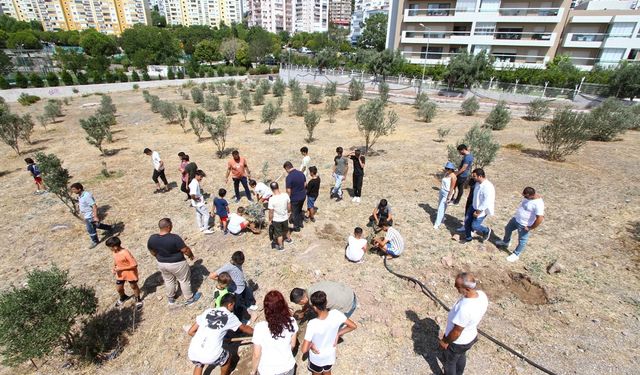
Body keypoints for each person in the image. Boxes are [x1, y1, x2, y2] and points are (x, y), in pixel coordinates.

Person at [187, 294, 254, 375]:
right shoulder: (229, 316)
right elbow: (244, 328)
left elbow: (190, 331)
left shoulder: (208, 311)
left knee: (199, 363)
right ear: (230, 304)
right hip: (210, 355)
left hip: (193, 351)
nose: (233, 307)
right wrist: (257, 332)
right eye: (233, 305)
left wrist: (204, 338)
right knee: (227, 358)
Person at [439, 272, 488, 375]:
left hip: (457, 342)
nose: (455, 287)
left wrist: (445, 341)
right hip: (470, 337)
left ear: (467, 289)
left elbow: (456, 332)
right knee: (460, 356)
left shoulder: (465, 309)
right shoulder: (481, 295)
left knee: (449, 363)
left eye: (458, 286)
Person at [147, 218, 201, 306]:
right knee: (184, 280)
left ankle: (171, 299)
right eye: (171, 225)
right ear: (168, 227)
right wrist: (190, 255)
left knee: (168, 280)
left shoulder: (152, 238)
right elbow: (185, 250)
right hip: (177, 263)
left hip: (162, 264)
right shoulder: (174, 238)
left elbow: (151, 250)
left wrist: (158, 257)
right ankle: (190, 299)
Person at [302, 291, 357, 375]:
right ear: (326, 302)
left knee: (316, 372)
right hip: (330, 354)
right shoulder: (336, 314)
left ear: (314, 307)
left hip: (317, 357)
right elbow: (353, 326)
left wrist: (311, 345)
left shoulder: (312, 324)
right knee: (327, 371)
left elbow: (304, 349)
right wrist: (338, 333)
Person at [250, 290, 298, 375]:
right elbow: (293, 345)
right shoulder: (291, 321)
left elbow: (256, 354)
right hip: (287, 367)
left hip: (267, 370)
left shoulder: (260, 327)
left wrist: (253, 371)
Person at [496, 187, 545, 262]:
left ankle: (516, 254)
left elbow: (540, 218)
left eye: (526, 196)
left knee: (522, 240)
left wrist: (530, 227)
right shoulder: (528, 197)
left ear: (531, 195)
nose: (524, 197)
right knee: (507, 228)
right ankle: (506, 242)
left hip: (524, 225)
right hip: (516, 219)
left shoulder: (538, 204)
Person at [70, 182, 114, 248]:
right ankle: (110, 227)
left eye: (74, 189)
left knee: (90, 229)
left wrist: (95, 216)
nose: (73, 191)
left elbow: (94, 206)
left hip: (90, 215)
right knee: (96, 225)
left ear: (79, 189)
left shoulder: (86, 196)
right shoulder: (80, 195)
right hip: (87, 215)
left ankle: (95, 241)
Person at [105, 236, 143, 309]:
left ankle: (138, 299)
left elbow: (134, 265)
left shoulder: (125, 253)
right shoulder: (114, 252)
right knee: (119, 288)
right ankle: (123, 297)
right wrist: (114, 267)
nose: (110, 249)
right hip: (120, 274)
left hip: (130, 273)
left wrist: (121, 268)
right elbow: (116, 261)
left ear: (115, 246)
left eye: (110, 247)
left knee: (133, 286)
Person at [290, 281, 358, 320]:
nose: (301, 305)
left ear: (301, 301)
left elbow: (323, 318)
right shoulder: (311, 289)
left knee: (331, 327)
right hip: (348, 291)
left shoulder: (315, 300)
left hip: (349, 304)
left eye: (299, 303)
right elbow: (308, 303)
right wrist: (303, 311)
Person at [463, 169, 495, 243]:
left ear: (480, 176)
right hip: (473, 206)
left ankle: (486, 230)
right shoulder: (477, 183)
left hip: (481, 210)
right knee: (467, 221)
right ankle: (468, 238)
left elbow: (486, 201)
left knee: (475, 226)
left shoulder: (488, 187)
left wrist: (478, 212)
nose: (473, 178)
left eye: (474, 176)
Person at [268, 181, 291, 251]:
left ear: (271, 189)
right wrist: (289, 212)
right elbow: (289, 205)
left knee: (278, 234)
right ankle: (289, 240)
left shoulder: (272, 199)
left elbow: (271, 212)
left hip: (277, 219)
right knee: (286, 229)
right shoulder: (285, 195)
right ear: (278, 187)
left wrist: (270, 219)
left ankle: (281, 247)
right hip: (285, 217)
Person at [434, 162, 458, 230]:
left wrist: (449, 197)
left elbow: (452, 187)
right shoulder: (447, 173)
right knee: (440, 206)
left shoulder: (453, 177)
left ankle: (437, 224)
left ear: (451, 169)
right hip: (442, 191)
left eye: (447, 168)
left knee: (441, 208)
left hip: (447, 193)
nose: (445, 169)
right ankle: (442, 219)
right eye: (445, 168)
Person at [283, 161, 306, 232]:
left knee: (295, 212)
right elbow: (305, 184)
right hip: (302, 196)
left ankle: (296, 227)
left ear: (287, 168)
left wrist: (288, 200)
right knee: (299, 210)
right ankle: (300, 223)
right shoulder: (301, 173)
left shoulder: (289, 177)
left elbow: (288, 191)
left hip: (295, 198)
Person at [189, 170, 214, 234]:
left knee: (199, 214)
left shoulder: (194, 181)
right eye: (201, 177)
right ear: (197, 175)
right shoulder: (195, 183)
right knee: (206, 215)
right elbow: (192, 194)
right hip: (198, 203)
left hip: (196, 204)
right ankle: (205, 229)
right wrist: (196, 199)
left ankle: (201, 227)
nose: (201, 178)